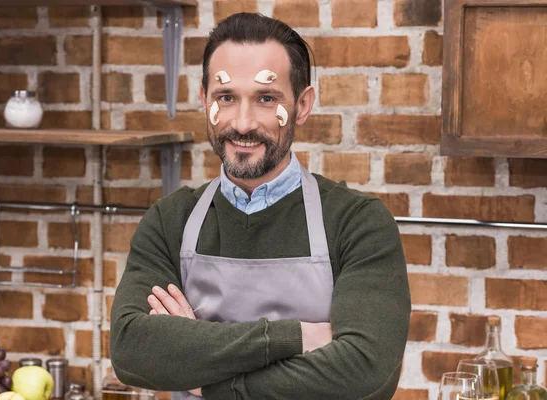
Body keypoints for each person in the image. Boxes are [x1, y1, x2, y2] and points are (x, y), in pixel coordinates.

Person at [110, 12, 411, 400]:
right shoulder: (170, 221)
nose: (244, 122)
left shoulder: (357, 223)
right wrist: (299, 336)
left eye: (266, 98)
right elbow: (133, 351)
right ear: (204, 100)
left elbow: (367, 373)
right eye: (226, 97)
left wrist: (204, 375)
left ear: (303, 105)